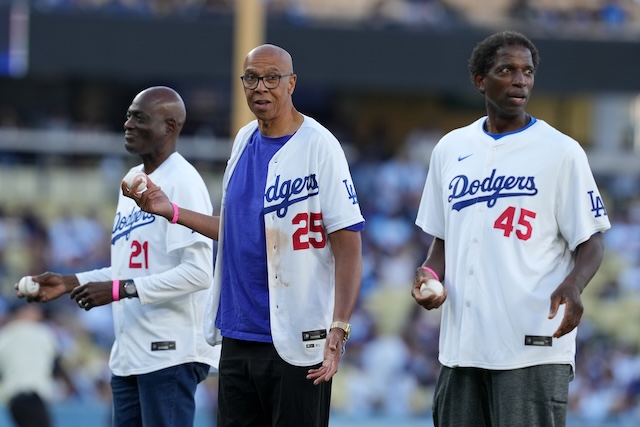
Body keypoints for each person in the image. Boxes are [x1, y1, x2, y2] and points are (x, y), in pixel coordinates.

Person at [123, 44, 365, 426]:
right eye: (251, 78)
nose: (261, 88)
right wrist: (171, 212)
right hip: (238, 332)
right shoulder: (243, 139)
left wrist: (339, 327)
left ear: (291, 83)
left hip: (298, 336)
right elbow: (235, 230)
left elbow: (348, 243)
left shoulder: (320, 145)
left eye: (272, 78)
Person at [412, 31, 611, 427]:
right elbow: (442, 241)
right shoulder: (450, 149)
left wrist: (574, 284)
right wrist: (429, 276)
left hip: (532, 345)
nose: (520, 80)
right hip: (462, 347)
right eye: (506, 70)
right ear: (480, 80)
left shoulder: (561, 151)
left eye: (527, 71)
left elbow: (592, 240)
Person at [16, 86, 218, 427]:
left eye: (139, 118)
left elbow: (198, 274)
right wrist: (69, 282)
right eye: (127, 116)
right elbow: (127, 269)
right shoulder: (131, 182)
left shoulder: (183, 181)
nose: (127, 124)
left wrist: (116, 290)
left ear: (169, 127)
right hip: (129, 353)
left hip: (170, 350)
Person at [0, 303, 75, 427]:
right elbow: (56, 364)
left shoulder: (5, 335)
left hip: (13, 399)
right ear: (23, 311)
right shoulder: (43, 332)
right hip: (34, 396)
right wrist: (68, 383)